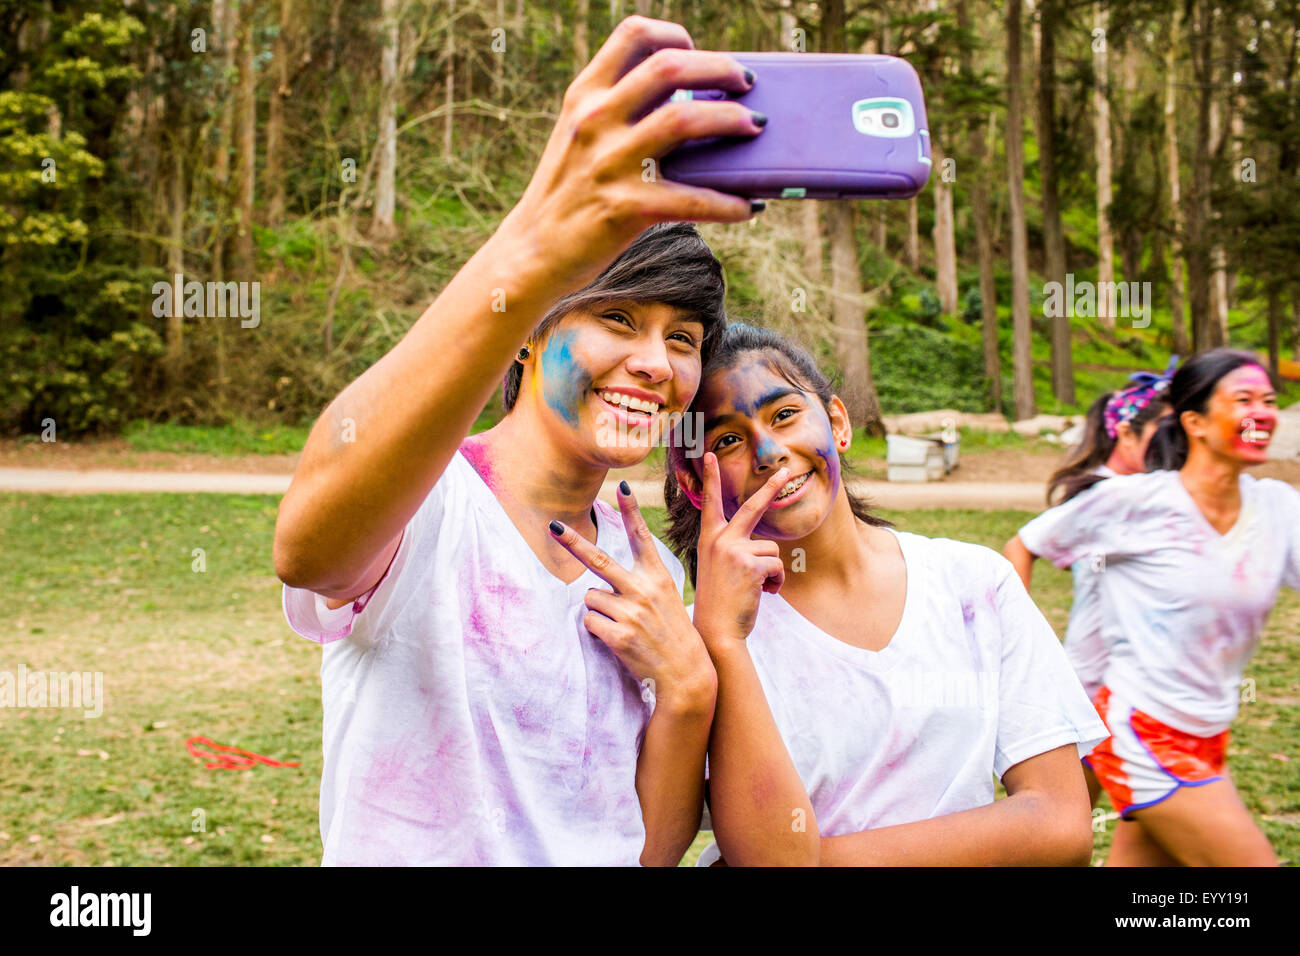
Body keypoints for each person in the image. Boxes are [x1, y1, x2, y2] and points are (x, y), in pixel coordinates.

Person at [272, 15, 770, 865]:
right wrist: (534, 251)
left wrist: (686, 686)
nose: (655, 364)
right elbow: (309, 552)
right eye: (618, 319)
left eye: (682, 339)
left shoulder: (647, 568)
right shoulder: (429, 506)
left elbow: (641, 849)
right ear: (533, 334)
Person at [658, 323, 1107, 866]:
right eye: (726, 440)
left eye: (784, 415)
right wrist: (723, 642)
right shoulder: (695, 645)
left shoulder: (973, 584)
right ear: (693, 482)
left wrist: (812, 860)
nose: (770, 451)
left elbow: (1061, 825)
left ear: (838, 423)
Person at [1004, 349, 1300, 866]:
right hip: (1142, 733)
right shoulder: (1138, 502)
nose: (1264, 412)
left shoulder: (1276, 506)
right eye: (1244, 400)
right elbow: (1025, 543)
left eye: (1271, 400)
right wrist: (1029, 656)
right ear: (1195, 421)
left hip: (1209, 734)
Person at [1022, 365, 1173, 805]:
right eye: (1164, 432)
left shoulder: (1143, 494)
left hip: (1137, 688)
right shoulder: (1110, 497)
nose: (1174, 445)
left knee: (1133, 817)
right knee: (1066, 818)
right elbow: (1023, 544)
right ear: (1126, 434)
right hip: (1094, 686)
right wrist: (1024, 634)